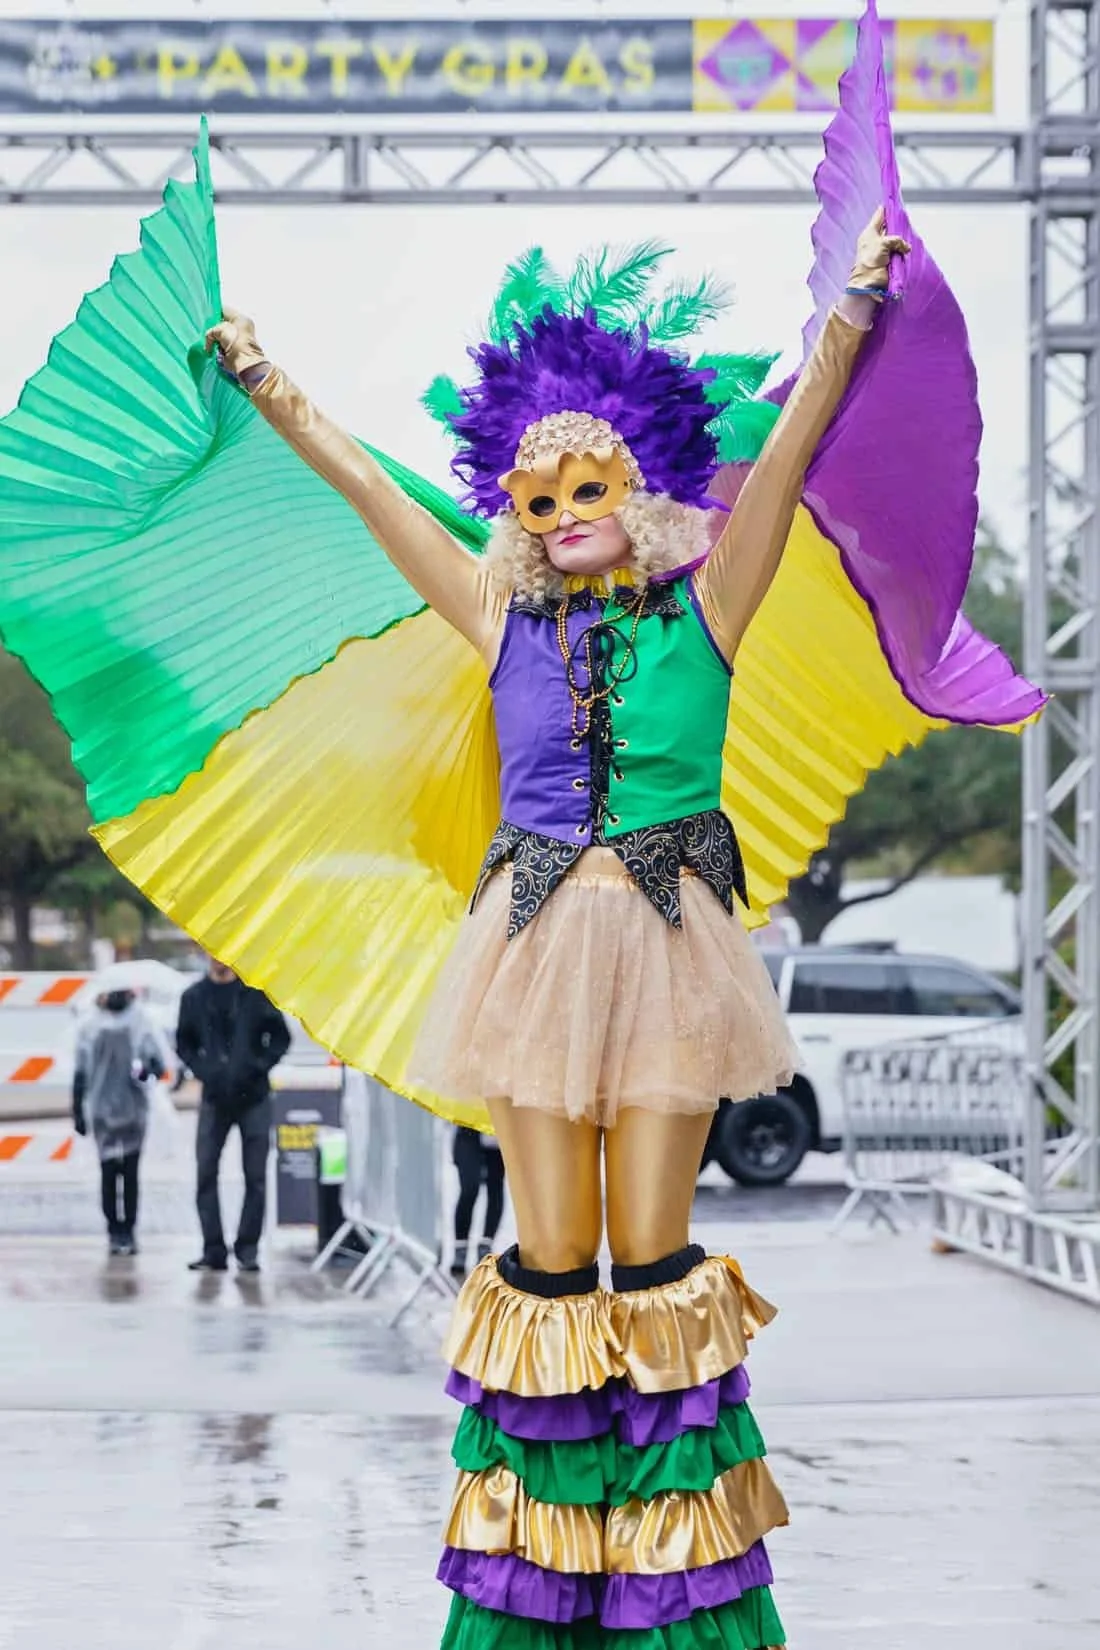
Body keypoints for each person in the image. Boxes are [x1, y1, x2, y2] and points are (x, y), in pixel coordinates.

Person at [176, 958, 290, 1273]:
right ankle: (213, 1249)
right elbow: (183, 1043)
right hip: (215, 1097)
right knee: (205, 1171)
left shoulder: (254, 993)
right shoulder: (194, 997)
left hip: (253, 1097)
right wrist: (203, 1069)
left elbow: (281, 1038)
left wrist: (258, 1066)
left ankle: (247, 1248)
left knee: (255, 1175)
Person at [73, 988, 169, 1256]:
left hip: (130, 1109)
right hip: (107, 1110)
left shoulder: (139, 1024)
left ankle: (126, 1229)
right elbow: (80, 1071)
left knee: (127, 1173)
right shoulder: (91, 1026)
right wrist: (78, 1110)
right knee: (111, 1173)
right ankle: (116, 1230)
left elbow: (158, 1066)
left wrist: (144, 1068)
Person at [451, 1125, 506, 1279]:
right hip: (468, 1128)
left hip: (497, 1131)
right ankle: (460, 1247)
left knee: (495, 1186)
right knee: (469, 1187)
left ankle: (485, 1244)